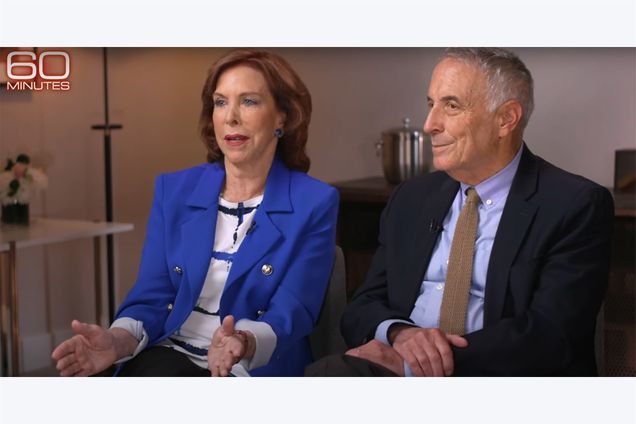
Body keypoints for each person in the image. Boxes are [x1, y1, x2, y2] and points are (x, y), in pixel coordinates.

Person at [307, 48, 614, 377]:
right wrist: (400, 333)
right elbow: (362, 307)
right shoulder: (410, 199)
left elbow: (551, 335)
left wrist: (416, 365)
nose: (429, 125)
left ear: (506, 119)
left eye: (451, 106)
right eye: (431, 104)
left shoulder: (574, 204)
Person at [52, 49, 339, 377]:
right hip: (169, 352)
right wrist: (117, 341)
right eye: (220, 102)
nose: (231, 117)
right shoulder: (173, 190)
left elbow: (294, 308)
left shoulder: (314, 201)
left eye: (248, 101)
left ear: (282, 117)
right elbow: (153, 292)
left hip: (247, 366)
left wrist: (243, 342)